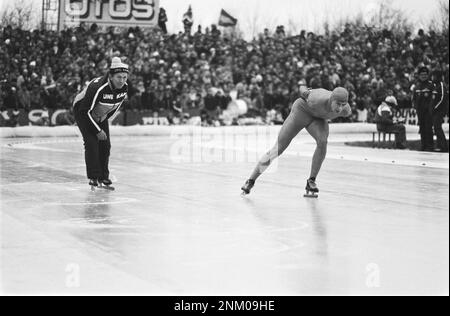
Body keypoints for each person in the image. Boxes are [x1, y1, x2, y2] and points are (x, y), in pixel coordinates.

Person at [241, 87, 352, 197]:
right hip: (302, 111)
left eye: (343, 104)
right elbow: (301, 88)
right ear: (331, 99)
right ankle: (251, 180)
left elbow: (343, 108)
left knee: (322, 142)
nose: (340, 108)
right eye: (338, 104)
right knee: (278, 149)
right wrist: (305, 90)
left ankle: (311, 181)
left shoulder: (346, 111)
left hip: (317, 119)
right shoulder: (317, 98)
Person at [73, 57, 130, 190]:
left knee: (105, 145)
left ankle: (103, 176)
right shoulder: (98, 87)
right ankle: (93, 176)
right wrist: (97, 130)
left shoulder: (124, 88)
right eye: (118, 77)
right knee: (92, 143)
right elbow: (84, 111)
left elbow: (115, 107)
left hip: (101, 112)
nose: (122, 81)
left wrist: (104, 118)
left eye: (124, 77)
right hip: (83, 110)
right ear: (110, 76)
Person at [411, 67, 435, 151]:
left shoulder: (431, 85)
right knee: (422, 129)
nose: (423, 76)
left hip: (428, 111)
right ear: (419, 75)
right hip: (420, 111)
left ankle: (430, 146)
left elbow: (433, 98)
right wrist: (414, 106)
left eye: (425, 74)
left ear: (428, 75)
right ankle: (423, 145)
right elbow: (414, 98)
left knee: (428, 128)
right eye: (421, 74)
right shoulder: (416, 86)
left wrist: (430, 109)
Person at [431, 70, 449, 152]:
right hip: (436, 110)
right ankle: (440, 145)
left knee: (437, 127)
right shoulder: (436, 85)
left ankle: (443, 146)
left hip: (440, 110)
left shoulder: (441, 85)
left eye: (434, 76)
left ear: (437, 77)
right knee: (436, 128)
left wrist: (435, 108)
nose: (432, 78)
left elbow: (442, 98)